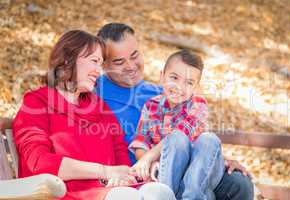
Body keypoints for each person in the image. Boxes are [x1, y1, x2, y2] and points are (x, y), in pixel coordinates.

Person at [96, 23, 254, 200]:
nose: (131, 66)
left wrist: (221, 160)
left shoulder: (160, 93)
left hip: (186, 167)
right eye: (119, 61)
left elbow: (193, 132)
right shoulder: (95, 93)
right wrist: (149, 161)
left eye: (134, 56)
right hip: (142, 175)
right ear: (103, 64)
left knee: (240, 184)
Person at [12, 30, 175, 200]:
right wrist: (104, 171)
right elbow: (39, 162)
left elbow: (119, 150)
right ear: (69, 59)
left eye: (101, 63)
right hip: (63, 192)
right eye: (94, 62)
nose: (98, 71)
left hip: (109, 189)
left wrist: (123, 176)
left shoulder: (97, 105)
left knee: (159, 191)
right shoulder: (37, 103)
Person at [129, 49, 225, 199]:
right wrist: (148, 161)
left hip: (200, 170)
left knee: (208, 139)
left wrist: (150, 157)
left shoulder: (198, 105)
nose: (179, 87)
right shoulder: (151, 105)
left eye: (189, 83)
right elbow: (142, 141)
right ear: (162, 77)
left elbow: (181, 133)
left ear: (196, 87)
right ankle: (166, 195)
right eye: (174, 77)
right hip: (170, 172)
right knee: (175, 140)